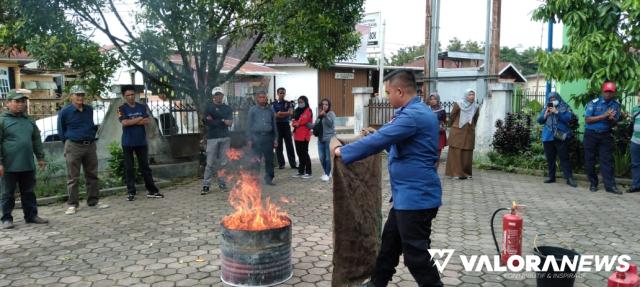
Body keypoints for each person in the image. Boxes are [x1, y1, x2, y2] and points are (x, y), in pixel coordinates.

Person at [335, 70, 443, 287]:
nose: (387, 97)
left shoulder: (412, 116)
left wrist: (342, 152)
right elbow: (390, 135)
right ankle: (378, 282)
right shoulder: (416, 111)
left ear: (400, 91)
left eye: (388, 92)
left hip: (416, 199)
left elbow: (382, 140)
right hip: (406, 197)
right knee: (390, 244)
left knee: (416, 256)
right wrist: (374, 134)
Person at [0, 89, 49, 229]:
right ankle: (6, 219)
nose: (21, 104)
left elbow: (36, 140)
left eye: (23, 101)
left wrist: (40, 157)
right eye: (17, 101)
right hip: (9, 165)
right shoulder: (2, 120)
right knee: (7, 193)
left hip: (27, 163)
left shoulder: (29, 120)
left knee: (28, 192)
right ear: (8, 103)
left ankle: (31, 215)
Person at [58, 85, 108, 215]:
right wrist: (67, 144)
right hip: (73, 145)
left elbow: (91, 125)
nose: (80, 97)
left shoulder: (89, 109)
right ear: (71, 96)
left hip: (90, 145)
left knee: (92, 174)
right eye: (77, 94)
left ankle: (93, 201)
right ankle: (73, 204)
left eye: (82, 95)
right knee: (73, 177)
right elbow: (61, 131)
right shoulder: (65, 111)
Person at [118, 87, 164, 201]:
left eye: (132, 94)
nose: (131, 97)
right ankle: (131, 192)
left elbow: (147, 120)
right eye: (128, 95)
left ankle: (152, 191)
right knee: (129, 168)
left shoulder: (141, 107)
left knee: (145, 167)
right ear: (124, 96)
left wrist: (132, 121)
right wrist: (139, 119)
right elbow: (124, 122)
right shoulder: (121, 108)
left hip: (141, 142)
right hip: (128, 142)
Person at [583, 81, 622, 194]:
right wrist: (604, 115)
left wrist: (612, 119)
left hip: (605, 135)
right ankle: (593, 183)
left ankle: (610, 186)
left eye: (611, 92)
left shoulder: (615, 105)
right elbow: (588, 119)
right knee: (590, 159)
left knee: (607, 161)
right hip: (591, 134)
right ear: (602, 91)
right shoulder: (594, 103)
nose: (608, 94)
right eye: (607, 91)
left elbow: (615, 122)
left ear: (614, 93)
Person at [536, 92, 577, 187]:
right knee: (550, 158)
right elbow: (539, 120)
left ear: (558, 97)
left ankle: (569, 178)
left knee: (564, 157)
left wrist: (557, 112)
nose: (552, 100)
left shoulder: (564, 106)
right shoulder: (546, 106)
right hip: (548, 136)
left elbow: (569, 118)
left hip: (560, 135)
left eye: (554, 98)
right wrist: (545, 114)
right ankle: (551, 177)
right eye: (550, 99)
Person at [201, 91, 233, 195]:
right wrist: (222, 120)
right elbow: (206, 121)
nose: (218, 97)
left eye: (220, 95)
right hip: (212, 138)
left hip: (225, 138)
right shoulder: (209, 107)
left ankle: (222, 183)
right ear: (213, 96)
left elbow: (230, 122)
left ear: (223, 96)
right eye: (216, 95)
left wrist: (215, 120)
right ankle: (206, 185)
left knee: (223, 163)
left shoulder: (227, 108)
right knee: (210, 163)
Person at [445, 89, 479, 179]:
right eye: (470, 94)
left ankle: (466, 173)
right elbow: (452, 116)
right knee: (456, 152)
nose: (472, 96)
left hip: (469, 131)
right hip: (457, 130)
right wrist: (451, 126)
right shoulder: (458, 104)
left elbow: (475, 118)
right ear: (465, 95)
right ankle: (455, 173)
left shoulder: (475, 106)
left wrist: (472, 128)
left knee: (467, 153)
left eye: (473, 95)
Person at [246, 92, 278, 185]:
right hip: (256, 138)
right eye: (260, 97)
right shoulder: (252, 110)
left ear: (266, 98)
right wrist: (249, 139)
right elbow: (248, 125)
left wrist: (276, 138)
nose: (262, 99)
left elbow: (274, 125)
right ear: (257, 99)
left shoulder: (271, 110)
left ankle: (269, 179)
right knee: (256, 160)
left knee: (269, 160)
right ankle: (254, 180)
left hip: (268, 138)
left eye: (264, 97)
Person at [273, 87, 297, 169]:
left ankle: (293, 164)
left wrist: (281, 113)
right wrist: (285, 113)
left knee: (289, 145)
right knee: (278, 146)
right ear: (277, 94)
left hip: (286, 125)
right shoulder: (274, 104)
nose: (282, 94)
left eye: (283, 93)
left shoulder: (288, 103)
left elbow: (291, 113)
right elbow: (275, 115)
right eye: (280, 93)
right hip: (277, 125)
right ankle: (281, 164)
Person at [315, 98, 336, 182]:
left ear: (329, 106)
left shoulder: (331, 114)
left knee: (327, 158)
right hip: (320, 139)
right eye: (323, 104)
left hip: (329, 139)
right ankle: (327, 172)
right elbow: (316, 124)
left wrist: (325, 116)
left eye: (326, 104)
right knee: (321, 157)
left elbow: (331, 124)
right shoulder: (319, 114)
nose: (324, 106)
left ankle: (327, 174)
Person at [291, 96, 313, 179]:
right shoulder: (297, 110)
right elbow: (293, 121)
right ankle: (301, 171)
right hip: (297, 135)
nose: (300, 103)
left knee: (304, 153)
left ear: (305, 102)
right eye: (299, 102)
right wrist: (296, 122)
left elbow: (304, 120)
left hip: (304, 136)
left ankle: (308, 171)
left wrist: (297, 122)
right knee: (299, 153)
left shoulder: (308, 110)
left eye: (301, 102)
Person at [428, 93, 447, 167]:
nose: (432, 101)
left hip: (439, 133)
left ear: (438, 100)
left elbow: (444, 121)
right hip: (429, 133)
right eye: (431, 99)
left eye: (434, 99)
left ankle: (435, 168)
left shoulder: (442, 110)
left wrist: (442, 126)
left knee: (437, 153)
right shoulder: (427, 109)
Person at [630, 91, 640, 193]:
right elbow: (633, 122)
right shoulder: (635, 109)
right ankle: (636, 185)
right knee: (635, 164)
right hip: (635, 140)